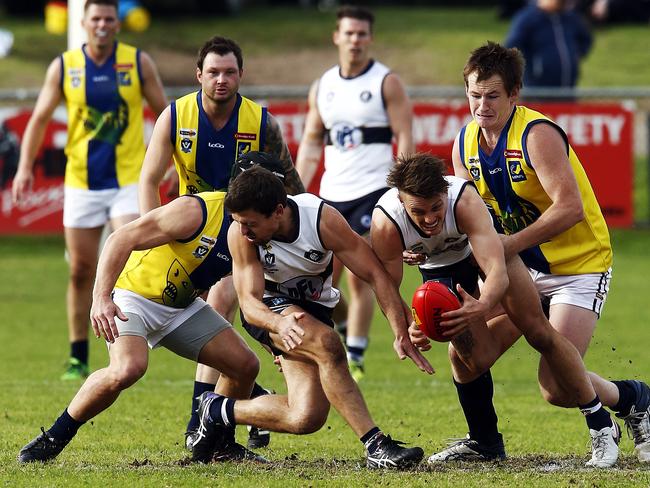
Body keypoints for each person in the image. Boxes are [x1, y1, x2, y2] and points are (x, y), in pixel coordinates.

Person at [424, 41, 650, 466]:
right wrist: (430, 246)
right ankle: (484, 443)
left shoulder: (537, 135)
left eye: (493, 95)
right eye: (474, 94)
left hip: (578, 265)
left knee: (556, 387)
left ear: (515, 94)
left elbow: (570, 207)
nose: (482, 105)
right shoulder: (464, 145)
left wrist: (505, 246)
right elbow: (465, 217)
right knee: (468, 354)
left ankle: (634, 398)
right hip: (521, 267)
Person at [372, 153, 631, 467]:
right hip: (442, 273)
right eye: (418, 211)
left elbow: (496, 269)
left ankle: (600, 423)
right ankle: (485, 444)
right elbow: (386, 284)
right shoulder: (386, 221)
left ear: (444, 194)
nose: (429, 219)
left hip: (484, 257)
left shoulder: (463, 201)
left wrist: (481, 306)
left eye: (436, 208)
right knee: (469, 358)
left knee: (539, 333)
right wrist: (404, 329)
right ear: (401, 202)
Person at [190, 165, 432, 468]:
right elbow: (249, 305)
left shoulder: (321, 220)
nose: (243, 231)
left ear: (278, 211)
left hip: (313, 310)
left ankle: (217, 410)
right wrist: (279, 324)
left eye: (250, 223)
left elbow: (375, 274)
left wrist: (399, 329)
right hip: (269, 308)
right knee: (329, 343)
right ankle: (376, 445)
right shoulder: (240, 235)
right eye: (238, 222)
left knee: (306, 416)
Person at [137, 36, 305, 450]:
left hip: (243, 233)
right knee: (211, 316)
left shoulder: (261, 122)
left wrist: (304, 230)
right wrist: (150, 233)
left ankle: (201, 420)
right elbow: (149, 178)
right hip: (194, 229)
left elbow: (292, 184)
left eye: (230, 72)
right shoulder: (175, 116)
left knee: (218, 308)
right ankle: (247, 399)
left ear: (241, 75)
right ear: (199, 75)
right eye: (213, 72)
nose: (221, 80)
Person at [17, 189, 262, 464]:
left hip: (181, 306)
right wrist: (101, 298)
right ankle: (54, 436)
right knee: (127, 368)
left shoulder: (265, 231)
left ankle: (220, 446)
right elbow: (121, 237)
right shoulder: (197, 210)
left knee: (245, 366)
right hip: (134, 295)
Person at [11, 0, 167, 380]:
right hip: (81, 181)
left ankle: (125, 347)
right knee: (81, 270)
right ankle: (78, 354)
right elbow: (40, 118)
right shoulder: (65, 66)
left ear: (118, 23)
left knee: (129, 255)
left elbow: (167, 116)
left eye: (109, 19)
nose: (102, 25)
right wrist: (24, 167)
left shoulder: (137, 63)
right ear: (83, 23)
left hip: (128, 179)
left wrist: (175, 165)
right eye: (95, 18)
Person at [295, 5, 413, 382]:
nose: (355, 40)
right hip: (332, 193)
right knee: (321, 275)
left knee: (361, 274)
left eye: (362, 33)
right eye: (349, 33)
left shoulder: (385, 82)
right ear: (337, 37)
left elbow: (405, 137)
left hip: (373, 192)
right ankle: (344, 332)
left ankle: (357, 353)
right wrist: (296, 190)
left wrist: (400, 191)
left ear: (370, 38)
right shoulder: (324, 85)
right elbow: (312, 142)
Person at [505, 0, 593, 90]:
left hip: (568, 87)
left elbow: (585, 39)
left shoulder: (570, 17)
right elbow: (512, 46)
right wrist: (531, 69)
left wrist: (575, 56)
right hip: (538, 90)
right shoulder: (527, 18)